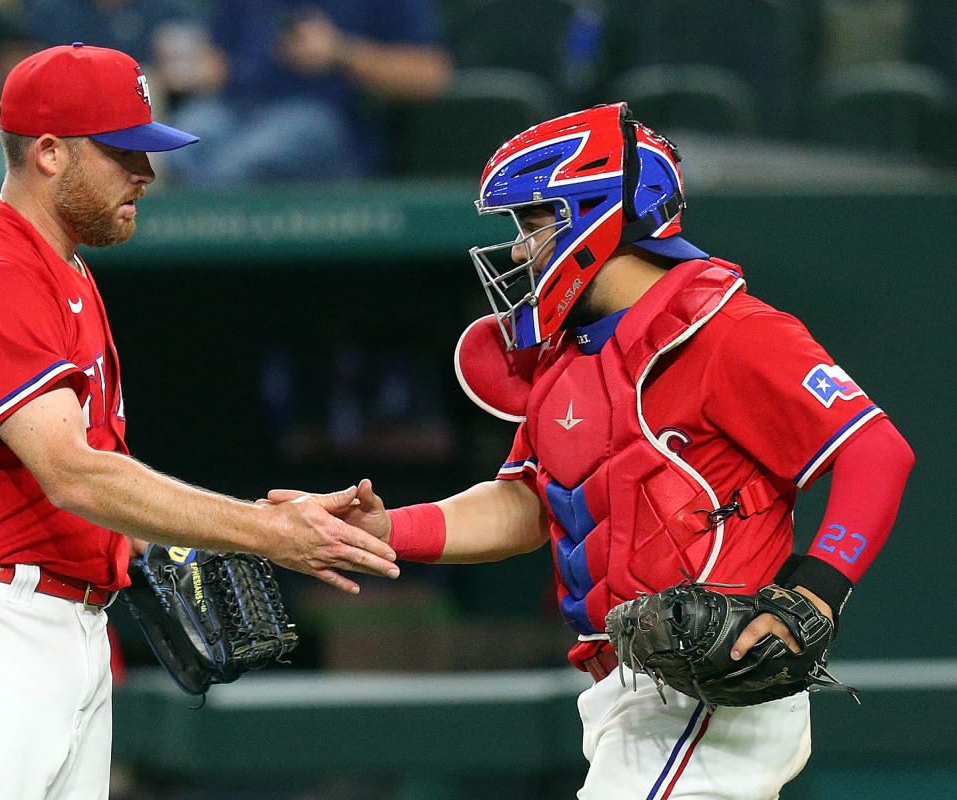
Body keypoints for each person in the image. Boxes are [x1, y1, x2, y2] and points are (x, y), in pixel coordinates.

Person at [269, 103, 915, 799]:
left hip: (711, 684)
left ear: (597, 215)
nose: (519, 249)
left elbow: (875, 450)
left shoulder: (727, 328)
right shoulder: (569, 353)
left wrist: (815, 593)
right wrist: (386, 528)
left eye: (533, 222)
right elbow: (523, 503)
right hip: (623, 692)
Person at [0, 44, 400, 800]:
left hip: (70, 629)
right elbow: (73, 470)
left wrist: (259, 521)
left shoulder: (69, 272)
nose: (145, 175)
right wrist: (264, 531)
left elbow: (91, 484)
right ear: (49, 153)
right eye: (122, 153)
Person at [0, 0, 201, 194]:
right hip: (43, 137)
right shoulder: (52, 8)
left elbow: (198, 74)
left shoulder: (166, 10)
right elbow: (13, 67)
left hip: (120, 142)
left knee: (144, 86)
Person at [156, 0, 453, 184]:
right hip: (236, 109)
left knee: (243, 160)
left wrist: (340, 52)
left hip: (329, 122)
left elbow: (430, 75)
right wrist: (194, 67)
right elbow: (218, 56)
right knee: (180, 141)